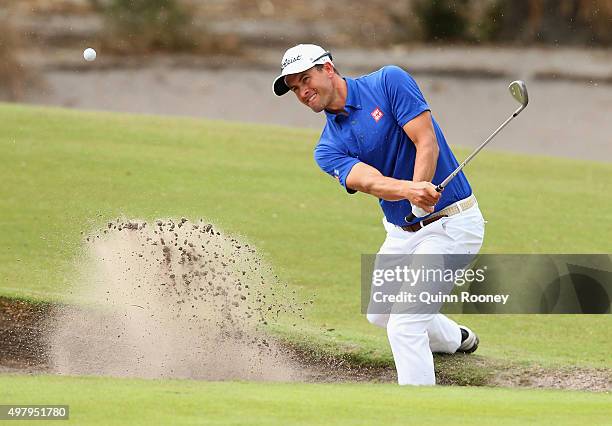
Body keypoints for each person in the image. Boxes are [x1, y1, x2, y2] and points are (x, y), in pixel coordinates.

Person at [272, 44, 485, 386]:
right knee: (379, 312)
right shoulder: (327, 147)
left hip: (451, 224)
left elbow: (426, 141)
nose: (302, 91)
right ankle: (455, 339)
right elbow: (369, 181)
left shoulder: (388, 82)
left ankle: (420, 413)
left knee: (404, 325)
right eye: (295, 88)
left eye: (305, 79)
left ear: (328, 68)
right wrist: (410, 193)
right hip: (402, 232)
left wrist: (420, 189)